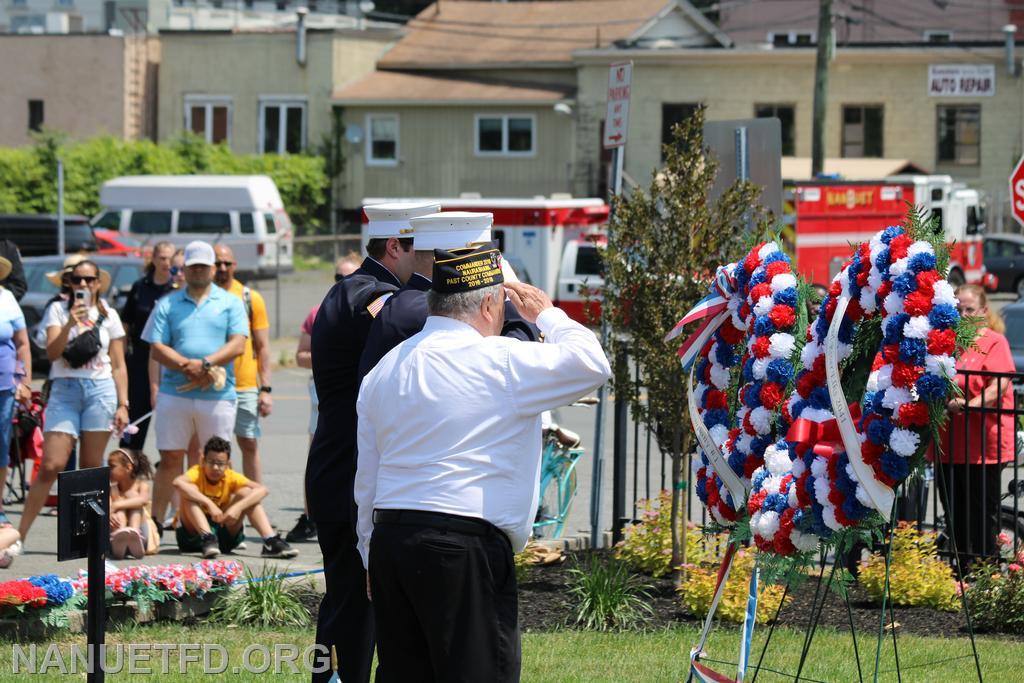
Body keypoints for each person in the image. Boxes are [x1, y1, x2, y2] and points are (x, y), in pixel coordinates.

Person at [355, 242, 610, 681]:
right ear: (490, 303)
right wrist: (547, 315)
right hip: (462, 545)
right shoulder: (501, 359)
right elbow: (592, 363)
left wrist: (367, 553)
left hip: (391, 541)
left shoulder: (386, 366)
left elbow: (368, 478)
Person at [307, 201, 438, 683]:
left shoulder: (349, 289)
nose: (428, 262)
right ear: (394, 247)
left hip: (340, 468)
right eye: (421, 251)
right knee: (352, 606)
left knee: (348, 600)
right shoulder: (377, 298)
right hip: (351, 473)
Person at [18, 259, 129, 546]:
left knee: (92, 467)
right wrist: (70, 322)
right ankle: (19, 537)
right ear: (69, 283)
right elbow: (52, 353)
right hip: (65, 389)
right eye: (77, 280)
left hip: (100, 389)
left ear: (97, 283)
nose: (83, 285)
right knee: (51, 464)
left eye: (89, 280)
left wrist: (123, 403)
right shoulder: (57, 309)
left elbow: (118, 364)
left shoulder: (109, 314)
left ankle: (93, 540)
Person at [358, 211, 538, 381]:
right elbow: (509, 364)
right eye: (476, 260)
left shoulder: (408, 300)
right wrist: (511, 297)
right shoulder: (427, 309)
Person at [143, 240, 248, 531]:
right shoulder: (167, 303)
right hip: (174, 393)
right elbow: (156, 347)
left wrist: (204, 363)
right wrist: (186, 365)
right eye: (193, 266)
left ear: (213, 269)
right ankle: (155, 524)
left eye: (204, 266)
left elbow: (238, 343)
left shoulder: (230, 302)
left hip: (217, 394)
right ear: (184, 270)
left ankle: (219, 525)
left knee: (217, 461)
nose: (199, 271)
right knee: (170, 457)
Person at [936, 284, 1016, 571]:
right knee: (954, 512)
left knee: (983, 515)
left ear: (983, 311)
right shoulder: (947, 343)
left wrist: (968, 404)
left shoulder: (994, 342)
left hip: (984, 446)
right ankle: (962, 570)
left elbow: (999, 385)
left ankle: (985, 573)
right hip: (950, 446)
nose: (963, 314)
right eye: (958, 309)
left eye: (969, 309)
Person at [286, 255, 360, 544]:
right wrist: (332, 359)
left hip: (355, 395)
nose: (343, 284)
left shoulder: (369, 309)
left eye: (349, 278)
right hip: (324, 394)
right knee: (317, 454)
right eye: (338, 278)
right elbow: (301, 356)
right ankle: (311, 517)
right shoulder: (319, 311)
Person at [173, 436, 296, 559]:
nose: (215, 468)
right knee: (188, 491)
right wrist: (209, 504)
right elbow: (177, 482)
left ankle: (271, 540)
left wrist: (236, 508)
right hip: (193, 535)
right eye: (211, 462)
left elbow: (263, 489)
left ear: (228, 465)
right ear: (203, 461)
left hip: (223, 532)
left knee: (247, 493)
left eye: (220, 463)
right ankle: (208, 538)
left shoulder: (231, 476)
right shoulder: (197, 472)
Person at [213, 245, 272, 483]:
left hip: (245, 384)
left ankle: (253, 503)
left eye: (227, 263)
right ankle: (223, 504)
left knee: (249, 443)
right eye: (217, 263)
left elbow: (263, 346)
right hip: (214, 385)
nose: (222, 268)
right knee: (216, 448)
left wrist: (265, 389)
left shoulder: (250, 297)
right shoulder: (205, 297)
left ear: (235, 265)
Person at [119, 241, 177, 452]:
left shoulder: (178, 289)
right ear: (153, 259)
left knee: (171, 428)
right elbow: (125, 325)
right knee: (135, 424)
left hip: (170, 362)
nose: (166, 262)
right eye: (162, 258)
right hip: (140, 362)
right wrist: (122, 358)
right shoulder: (140, 287)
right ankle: (127, 469)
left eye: (170, 258)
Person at [0, 256, 32, 530]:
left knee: (1, 446)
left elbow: (22, 344)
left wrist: (24, 381)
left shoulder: (7, 298)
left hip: (5, 384)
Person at [108, 447, 154, 560]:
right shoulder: (111, 488)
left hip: (142, 534)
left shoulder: (141, 485)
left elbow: (142, 500)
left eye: (112, 466)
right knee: (119, 501)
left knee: (131, 495)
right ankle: (120, 537)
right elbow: (108, 507)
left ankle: (134, 534)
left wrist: (117, 505)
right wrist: (110, 514)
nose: (108, 470)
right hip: (116, 533)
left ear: (128, 467)